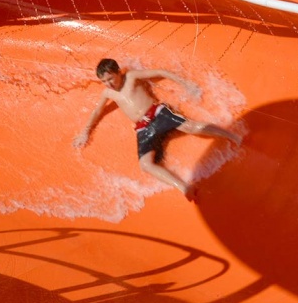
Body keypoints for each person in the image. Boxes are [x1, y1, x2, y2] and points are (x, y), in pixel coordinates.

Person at [73, 58, 241, 201]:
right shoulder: (108, 93)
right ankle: (184, 187)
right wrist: (86, 131)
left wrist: (186, 84)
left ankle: (232, 136)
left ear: (118, 72)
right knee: (145, 164)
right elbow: (97, 111)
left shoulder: (131, 77)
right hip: (143, 127)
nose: (108, 84)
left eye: (110, 78)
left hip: (158, 113)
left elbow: (161, 72)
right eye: (104, 81)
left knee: (190, 127)